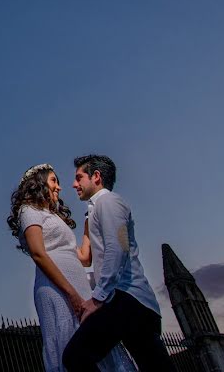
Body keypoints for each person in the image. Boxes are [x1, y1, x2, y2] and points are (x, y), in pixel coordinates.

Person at [8, 163, 135, 372]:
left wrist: (88, 226)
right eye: (53, 181)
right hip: (57, 289)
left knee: (90, 341)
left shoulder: (55, 217)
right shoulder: (28, 210)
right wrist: (72, 295)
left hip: (79, 287)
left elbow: (84, 258)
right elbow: (39, 254)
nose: (58, 187)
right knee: (68, 339)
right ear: (38, 184)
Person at [62, 154, 175, 371]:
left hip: (127, 299)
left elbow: (119, 247)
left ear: (96, 176)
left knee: (75, 356)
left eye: (79, 177)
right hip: (132, 302)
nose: (74, 184)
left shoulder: (109, 202)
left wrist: (98, 298)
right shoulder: (98, 207)